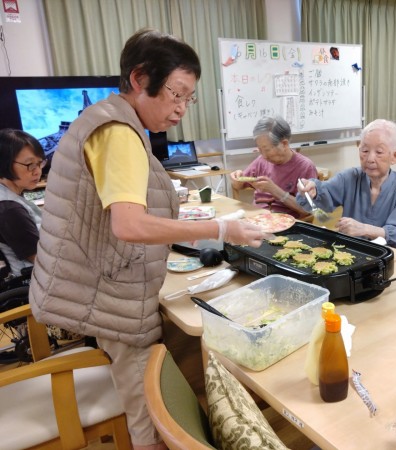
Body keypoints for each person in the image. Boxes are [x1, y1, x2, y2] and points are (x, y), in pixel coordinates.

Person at [29, 29, 270, 450]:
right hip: (110, 298)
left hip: (91, 288)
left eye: (189, 99)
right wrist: (221, 229)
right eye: (176, 94)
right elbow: (129, 225)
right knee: (150, 417)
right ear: (139, 79)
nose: (181, 109)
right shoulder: (118, 131)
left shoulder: (103, 118)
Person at [296, 119, 396, 249]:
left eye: (379, 152)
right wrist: (312, 191)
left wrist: (364, 229)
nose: (370, 159)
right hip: (349, 250)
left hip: (385, 255)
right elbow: (324, 195)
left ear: (395, 156)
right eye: (365, 151)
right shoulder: (350, 177)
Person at [230, 115, 318, 219]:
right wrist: (237, 179)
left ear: (284, 144)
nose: (264, 155)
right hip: (257, 218)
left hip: (283, 222)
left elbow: (308, 209)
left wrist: (274, 190)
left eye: (267, 150)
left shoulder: (305, 167)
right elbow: (238, 185)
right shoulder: (261, 160)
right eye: (260, 150)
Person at [0, 129, 45, 279]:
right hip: (35, 281)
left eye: (40, 163)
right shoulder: (9, 210)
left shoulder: (10, 195)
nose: (37, 171)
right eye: (30, 165)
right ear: (4, 163)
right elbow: (44, 262)